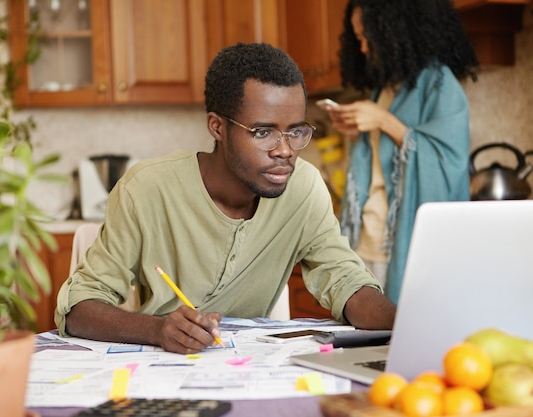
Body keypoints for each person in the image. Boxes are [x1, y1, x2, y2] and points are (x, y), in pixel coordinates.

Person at [55, 42, 396, 354]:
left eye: (295, 131)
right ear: (217, 127)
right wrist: (159, 330)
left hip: (252, 368)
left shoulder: (304, 187)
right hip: (159, 369)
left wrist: (406, 323)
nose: (284, 150)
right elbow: (79, 308)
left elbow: (346, 281)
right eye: (263, 132)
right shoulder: (145, 189)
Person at [320, 0, 479, 304]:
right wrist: (362, 132)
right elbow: (389, 155)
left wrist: (382, 120)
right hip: (367, 238)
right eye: (358, 39)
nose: (363, 48)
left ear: (393, 31)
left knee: (398, 338)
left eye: (367, 36)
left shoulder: (439, 82)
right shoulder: (387, 87)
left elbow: (449, 162)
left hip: (402, 243)